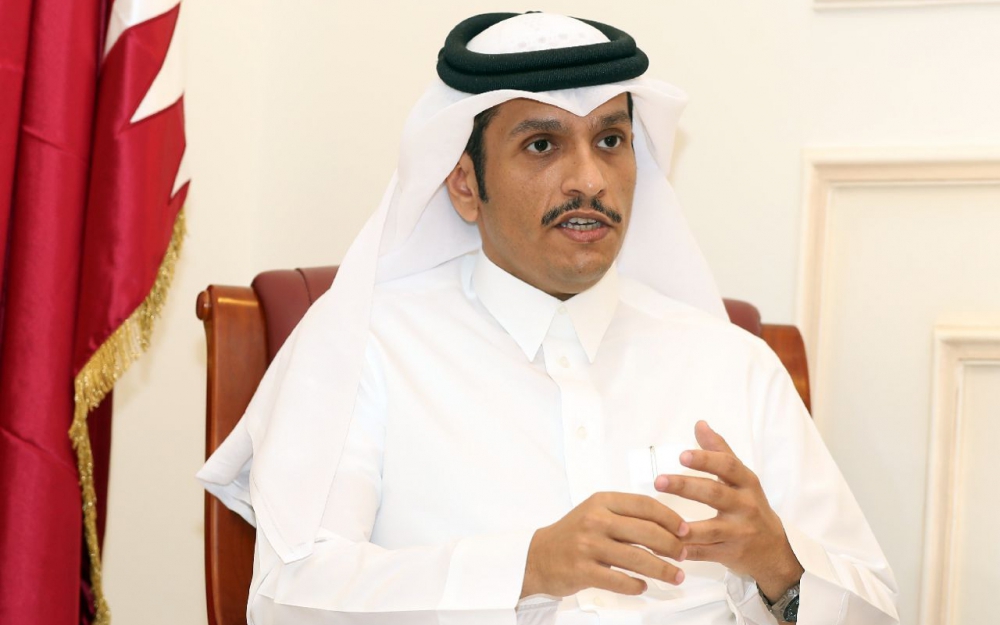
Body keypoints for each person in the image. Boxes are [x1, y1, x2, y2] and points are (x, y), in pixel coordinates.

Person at [198, 12, 899, 625]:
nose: (589, 180)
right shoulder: (365, 347)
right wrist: (527, 567)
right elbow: (289, 599)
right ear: (465, 183)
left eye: (610, 141)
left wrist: (781, 568)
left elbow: (878, 609)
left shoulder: (733, 364)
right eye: (542, 144)